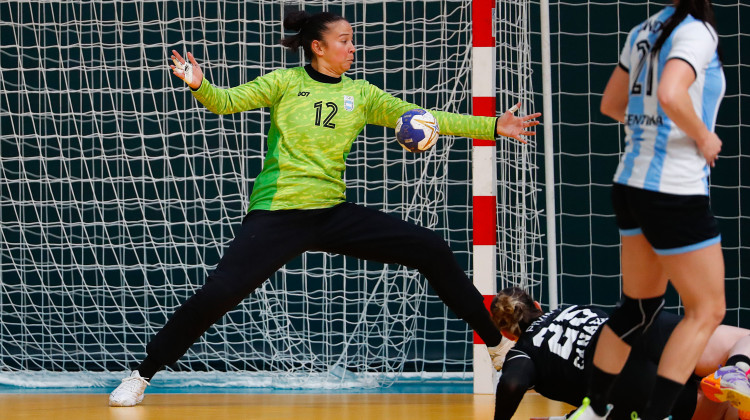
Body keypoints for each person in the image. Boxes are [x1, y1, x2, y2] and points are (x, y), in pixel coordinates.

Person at [107, 9, 541, 406]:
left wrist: (492, 126)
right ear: (318, 47)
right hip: (278, 212)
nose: (353, 47)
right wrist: (201, 85)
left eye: (353, 41)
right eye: (345, 40)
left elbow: (424, 116)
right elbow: (228, 102)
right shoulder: (284, 82)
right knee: (218, 294)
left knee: (430, 248)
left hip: (332, 213)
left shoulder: (362, 93)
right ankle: (142, 374)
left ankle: (495, 345)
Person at [570, 0, 729, 418]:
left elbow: (610, 104)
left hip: (630, 184)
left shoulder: (645, 29)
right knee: (707, 310)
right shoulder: (697, 31)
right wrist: (702, 137)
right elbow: (671, 93)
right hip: (673, 191)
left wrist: (651, 128)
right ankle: (657, 415)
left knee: (638, 309)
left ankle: (594, 409)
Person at [490, 287, 750, 420]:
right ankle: (737, 370)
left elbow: (513, 384)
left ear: (509, 334)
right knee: (742, 341)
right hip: (643, 331)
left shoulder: (523, 351)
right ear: (536, 305)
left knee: (720, 409)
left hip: (627, 376)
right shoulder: (571, 309)